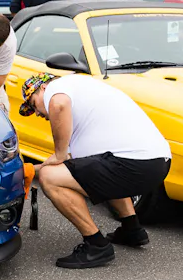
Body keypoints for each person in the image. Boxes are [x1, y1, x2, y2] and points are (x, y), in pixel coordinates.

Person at [19, 73, 172, 269]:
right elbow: (78, 166)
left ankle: (96, 245)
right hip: (157, 163)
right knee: (93, 169)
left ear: (42, 88)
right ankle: (132, 230)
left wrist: (59, 154)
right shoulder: (83, 91)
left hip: (134, 164)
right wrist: (31, 169)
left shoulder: (56, 89)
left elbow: (58, 105)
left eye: (33, 104)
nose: (37, 114)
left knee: (50, 178)